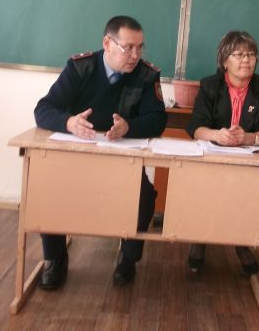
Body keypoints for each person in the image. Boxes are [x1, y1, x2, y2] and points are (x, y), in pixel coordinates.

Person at [33, 15, 167, 288]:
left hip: (123, 160)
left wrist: (128, 127)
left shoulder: (147, 74)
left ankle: (127, 259)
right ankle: (55, 259)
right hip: (77, 157)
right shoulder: (80, 68)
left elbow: (158, 120)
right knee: (48, 188)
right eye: (128, 47)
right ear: (107, 43)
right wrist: (69, 122)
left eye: (140, 47)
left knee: (144, 197)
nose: (135, 55)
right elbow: (43, 109)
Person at [186, 30, 259, 274]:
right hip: (212, 158)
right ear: (224, 60)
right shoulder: (210, 85)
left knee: (247, 194)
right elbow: (195, 127)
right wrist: (217, 135)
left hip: (248, 162)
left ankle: (241, 242)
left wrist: (248, 138)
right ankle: (200, 239)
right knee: (206, 189)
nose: (246, 60)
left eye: (251, 54)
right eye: (239, 54)